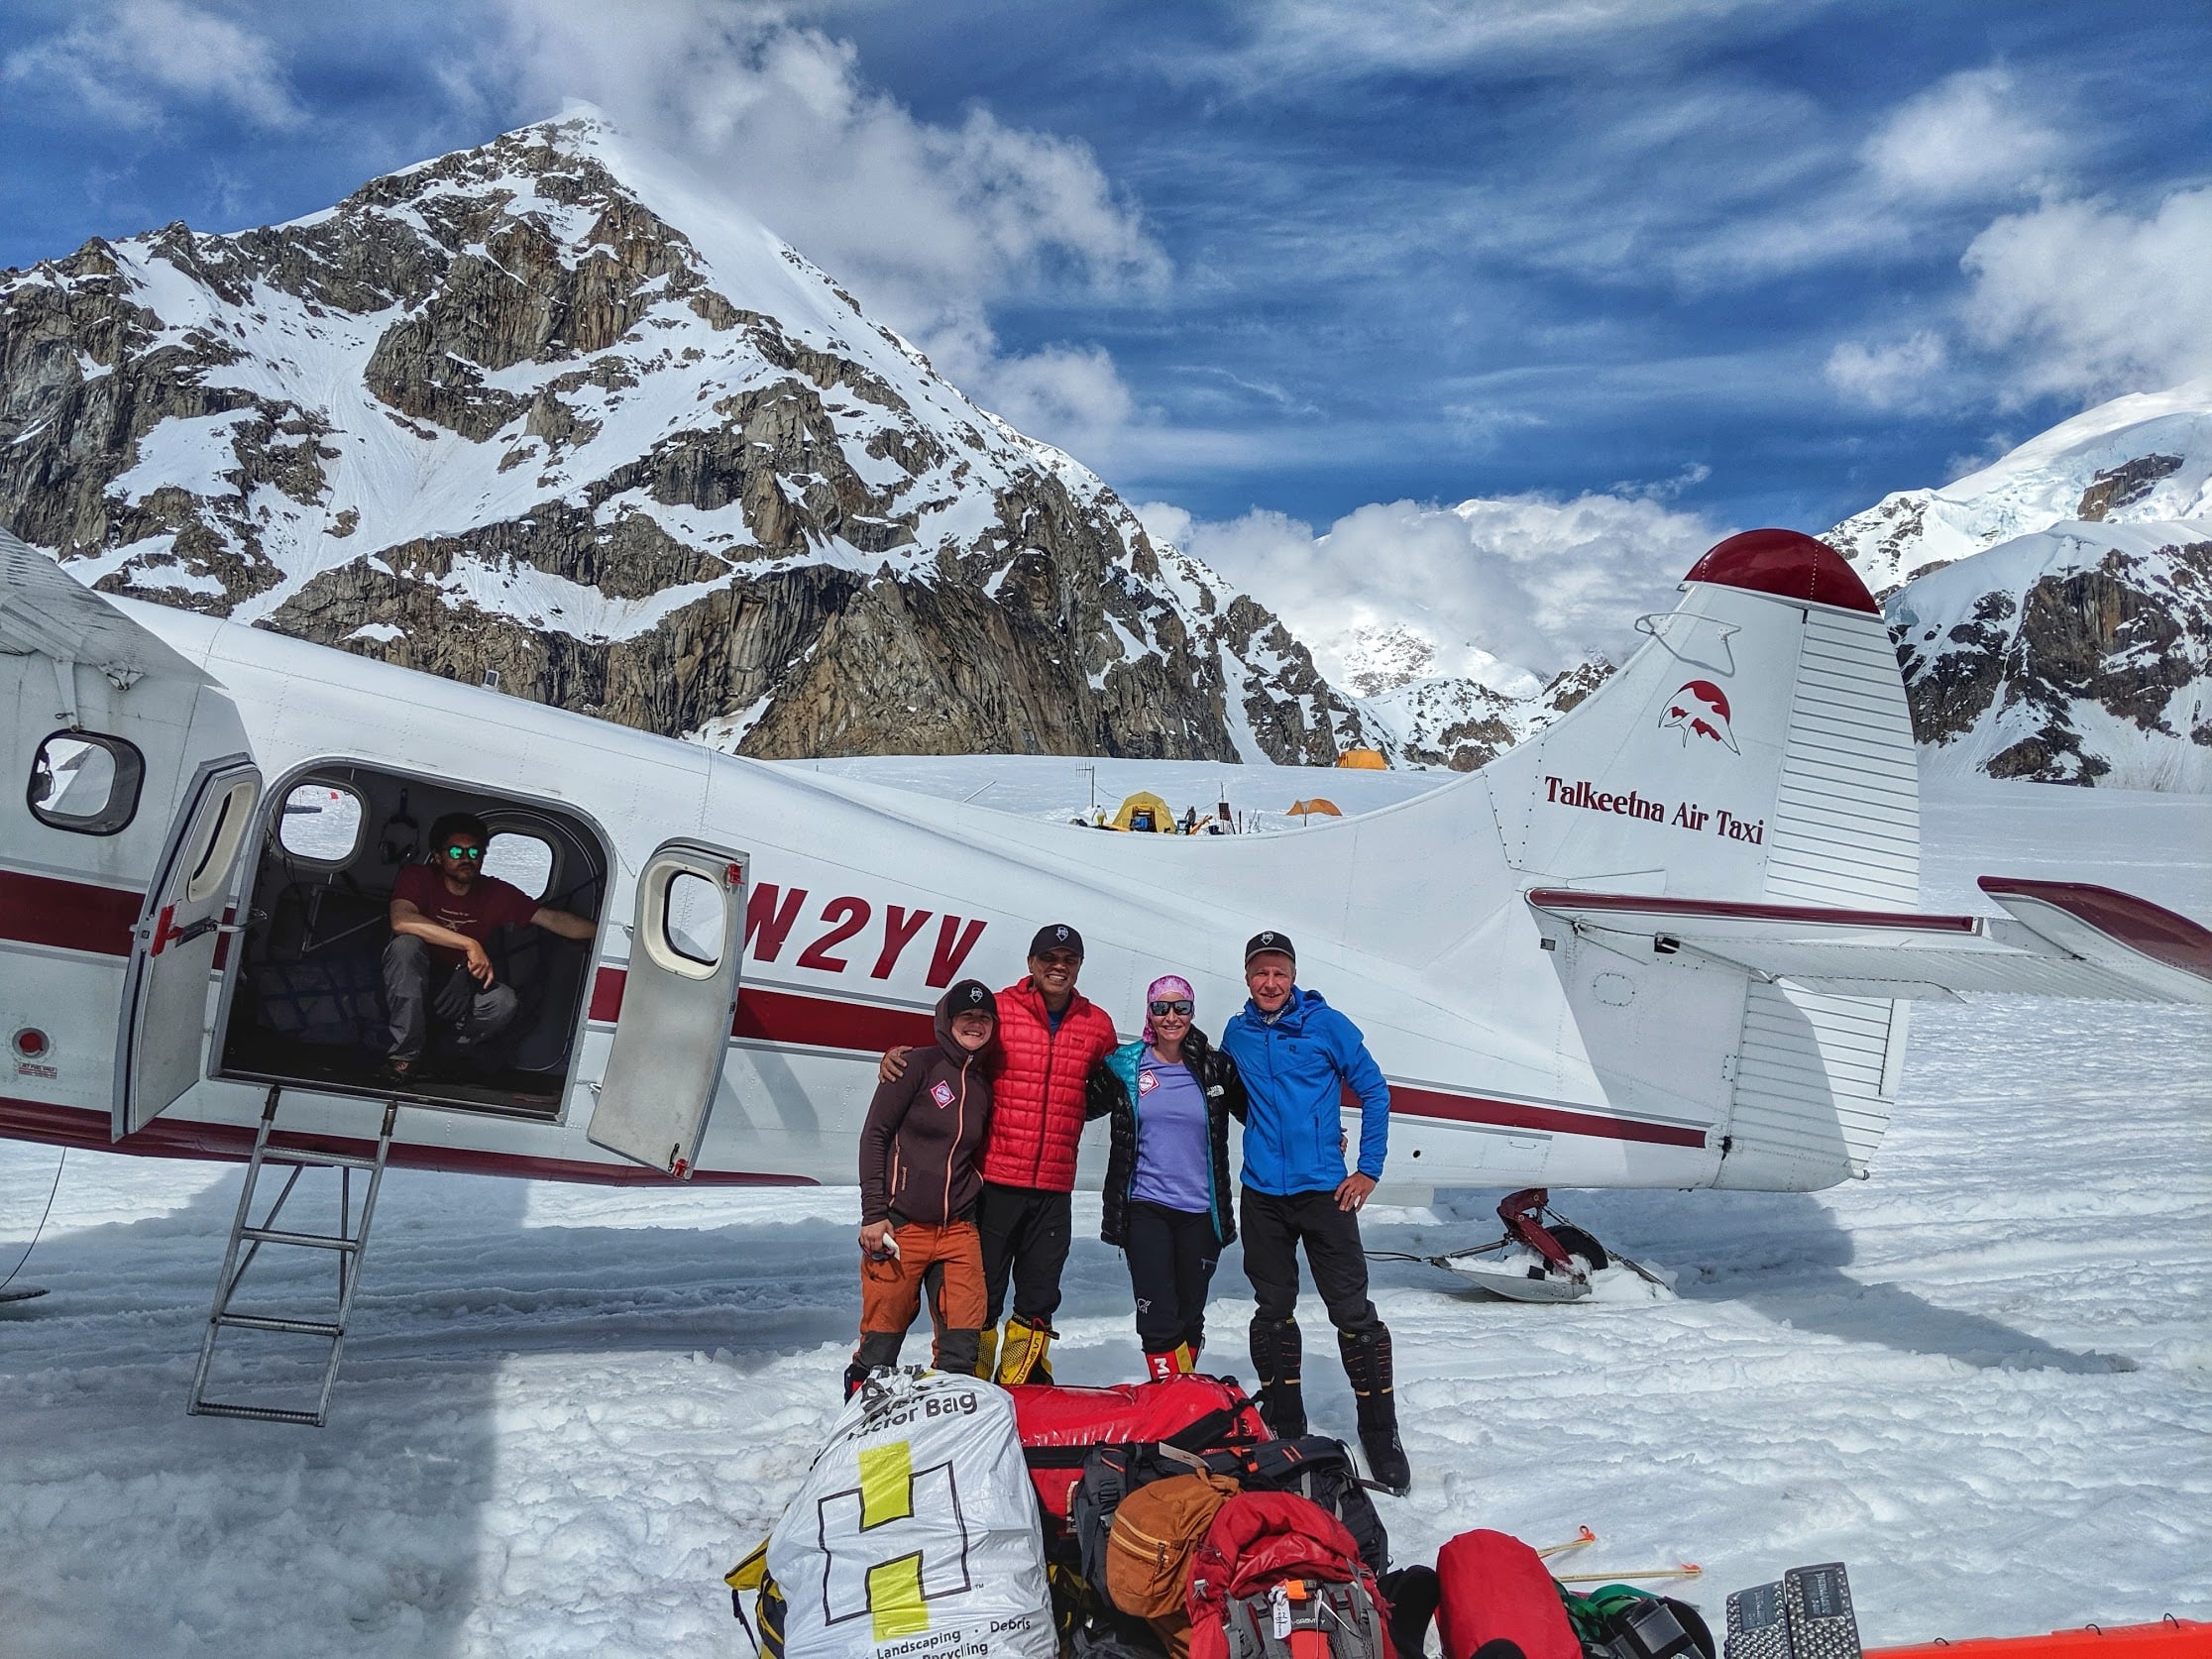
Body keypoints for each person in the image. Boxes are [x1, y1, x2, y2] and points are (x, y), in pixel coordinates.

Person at [879, 923, 1118, 1383]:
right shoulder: (1002, 1010)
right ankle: (972, 1376)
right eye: (1049, 958)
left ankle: (1022, 1380)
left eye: (1069, 960)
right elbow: (951, 1053)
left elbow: (1116, 1079)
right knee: (982, 1291)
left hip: (1053, 1185)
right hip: (995, 1180)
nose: (1058, 967)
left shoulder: (1097, 1024)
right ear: (1031, 963)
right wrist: (898, 1057)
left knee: (1040, 1292)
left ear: (1079, 968)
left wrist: (1188, 1051)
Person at [1219, 930, 1410, 1495]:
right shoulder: (1238, 1032)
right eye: (1260, 972)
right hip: (1262, 1195)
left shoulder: (1328, 1026)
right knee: (1272, 1308)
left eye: (1280, 972)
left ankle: (1381, 1432)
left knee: (1352, 1312)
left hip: (1327, 1193)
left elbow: (1375, 1091)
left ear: (1293, 976)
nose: (1270, 982)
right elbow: (1230, 1097)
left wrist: (1368, 1169)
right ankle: (1286, 1422)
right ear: (1247, 978)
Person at [1087, 974, 1246, 1380]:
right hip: (1146, 1208)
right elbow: (1073, 1101)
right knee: (1157, 1313)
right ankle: (1169, 1396)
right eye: (1161, 1008)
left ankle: (1185, 1392)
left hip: (1201, 1212)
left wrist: (1323, 1131)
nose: (1171, 1016)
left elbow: (1261, 1113)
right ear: (1149, 1012)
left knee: (1190, 1313)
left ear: (1192, 1012)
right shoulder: (1126, 1066)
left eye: (1181, 1008)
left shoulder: (1215, 1067)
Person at [849, 979, 1000, 1395]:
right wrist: (874, 1214)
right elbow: (875, 1136)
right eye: (966, 1016)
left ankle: (945, 1438)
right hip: (902, 1227)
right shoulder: (914, 1066)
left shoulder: (986, 1083)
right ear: (947, 1021)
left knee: (961, 1348)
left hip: (959, 1230)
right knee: (881, 1343)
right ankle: (859, 1432)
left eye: (984, 1017)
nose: (975, 1024)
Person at [382, 812, 596, 1079]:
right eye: (457, 852)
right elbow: (401, 920)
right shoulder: (418, 877)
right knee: (406, 947)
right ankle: (405, 1058)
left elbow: (552, 919)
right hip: (409, 979)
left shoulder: (496, 892)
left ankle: (445, 1055)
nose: (467, 859)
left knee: (503, 1002)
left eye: (475, 852)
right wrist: (470, 944)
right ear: (438, 857)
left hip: (458, 983)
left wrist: (605, 932)